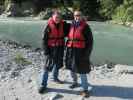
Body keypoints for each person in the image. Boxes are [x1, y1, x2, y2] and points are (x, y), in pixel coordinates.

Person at [39, 10, 69, 94]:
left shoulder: (64, 25)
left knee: (57, 64)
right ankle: (43, 85)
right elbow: (44, 39)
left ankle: (55, 78)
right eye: (56, 17)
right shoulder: (48, 25)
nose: (57, 19)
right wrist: (46, 51)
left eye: (59, 17)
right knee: (47, 67)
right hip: (50, 48)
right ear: (52, 17)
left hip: (59, 47)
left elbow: (74, 27)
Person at [65, 10, 93, 97]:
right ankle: (75, 82)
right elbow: (59, 25)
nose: (77, 17)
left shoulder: (86, 27)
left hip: (81, 51)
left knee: (82, 71)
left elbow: (90, 42)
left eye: (79, 15)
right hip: (71, 50)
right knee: (71, 68)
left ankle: (85, 89)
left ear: (82, 16)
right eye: (75, 15)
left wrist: (86, 54)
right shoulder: (70, 25)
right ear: (74, 16)